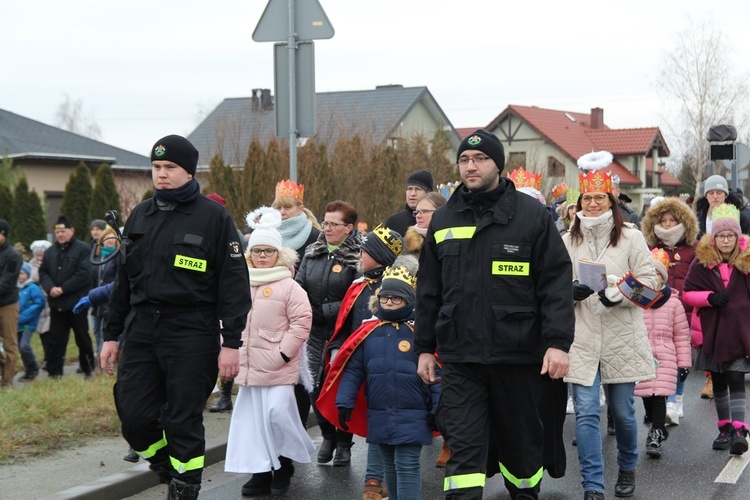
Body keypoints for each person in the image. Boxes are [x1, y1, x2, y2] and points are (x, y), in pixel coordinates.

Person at [415, 129, 574, 500]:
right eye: (464, 160)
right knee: (464, 450)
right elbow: (428, 291)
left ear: (498, 165)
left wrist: (558, 343)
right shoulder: (443, 219)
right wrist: (424, 347)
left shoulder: (531, 216)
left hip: (518, 357)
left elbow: (555, 285)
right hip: (461, 359)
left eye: (480, 159)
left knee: (521, 450)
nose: (471, 166)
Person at [100, 134, 251, 499]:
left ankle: (185, 488)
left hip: (191, 331)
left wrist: (231, 343)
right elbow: (124, 281)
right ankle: (168, 468)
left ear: (189, 171)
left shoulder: (213, 218)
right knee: (134, 416)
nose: (161, 175)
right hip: (141, 329)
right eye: (156, 167)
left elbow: (233, 286)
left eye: (170, 168)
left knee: (182, 419)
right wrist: (110, 334)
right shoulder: (141, 214)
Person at [563, 151, 658, 500]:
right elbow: (552, 282)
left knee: (622, 412)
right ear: (579, 202)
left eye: (598, 197)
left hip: (622, 332)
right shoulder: (567, 239)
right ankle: (592, 483)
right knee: (586, 412)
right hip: (583, 334)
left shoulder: (631, 238)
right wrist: (567, 290)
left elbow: (650, 285)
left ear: (610, 200)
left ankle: (628, 467)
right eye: (586, 198)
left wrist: (615, 292)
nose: (591, 203)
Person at [334, 255, 440, 500]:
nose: (390, 303)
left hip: (414, 412)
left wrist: (438, 407)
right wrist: (344, 402)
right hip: (380, 412)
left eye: (396, 298)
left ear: (409, 300)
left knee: (407, 465)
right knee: (390, 466)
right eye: (385, 297)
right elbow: (353, 371)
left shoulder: (420, 334)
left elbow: (436, 373)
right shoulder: (368, 332)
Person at [224, 211, 314, 497]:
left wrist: (283, 354)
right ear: (250, 254)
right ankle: (260, 472)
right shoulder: (240, 283)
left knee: (277, 416)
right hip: (248, 368)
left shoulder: (290, 286)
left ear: (279, 253)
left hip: (277, 368)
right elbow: (226, 318)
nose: (263, 256)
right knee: (251, 424)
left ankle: (283, 463)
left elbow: (302, 322)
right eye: (258, 251)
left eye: (269, 251)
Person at [327, 224, 403, 499]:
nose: (359, 254)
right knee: (374, 419)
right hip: (365, 363)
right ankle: (374, 479)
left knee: (391, 422)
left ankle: (387, 477)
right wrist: (336, 348)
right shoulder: (358, 285)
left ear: (380, 256)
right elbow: (345, 325)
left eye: (365, 250)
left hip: (396, 361)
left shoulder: (400, 285)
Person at [295, 200, 361, 467]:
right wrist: (308, 309)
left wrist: (327, 310)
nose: (327, 228)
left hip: (344, 334)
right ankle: (327, 436)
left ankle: (344, 443)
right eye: (325, 222)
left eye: (334, 224)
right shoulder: (313, 251)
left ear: (349, 228)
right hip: (313, 331)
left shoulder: (359, 256)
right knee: (313, 386)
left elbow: (357, 295)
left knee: (342, 388)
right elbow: (298, 285)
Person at [683, 204, 750, 456]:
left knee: (736, 377)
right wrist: (709, 298)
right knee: (719, 380)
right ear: (714, 238)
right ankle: (724, 427)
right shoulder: (702, 263)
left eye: (730, 236)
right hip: (714, 331)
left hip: (740, 332)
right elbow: (688, 293)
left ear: (737, 238)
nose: (725, 240)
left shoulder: (746, 264)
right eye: (721, 236)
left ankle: (740, 429)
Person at [641, 197, 700, 422]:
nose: (667, 224)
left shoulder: (693, 248)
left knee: (680, 358)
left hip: (685, 310)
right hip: (655, 310)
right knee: (659, 357)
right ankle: (660, 401)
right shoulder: (650, 248)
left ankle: (676, 401)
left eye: (672, 219)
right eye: (663, 220)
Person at [634, 249, 691, 458]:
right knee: (647, 396)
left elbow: (681, 335)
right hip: (642, 354)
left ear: (663, 277)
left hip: (665, 357)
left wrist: (684, 364)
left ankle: (655, 434)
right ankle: (655, 422)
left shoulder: (674, 303)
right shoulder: (637, 300)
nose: (652, 279)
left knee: (659, 395)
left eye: (656, 274)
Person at [38, 215, 95, 379]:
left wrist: (63, 288)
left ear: (72, 231)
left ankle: (88, 368)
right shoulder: (50, 252)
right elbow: (43, 272)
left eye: (63, 231)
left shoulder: (83, 249)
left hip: (77, 304)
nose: (60, 235)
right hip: (57, 304)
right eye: (58, 232)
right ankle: (54, 372)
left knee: (82, 338)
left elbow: (84, 274)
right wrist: (50, 288)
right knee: (55, 340)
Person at [272, 179, 323, 266]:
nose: (282, 212)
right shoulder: (268, 233)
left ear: (300, 209)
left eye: (287, 207)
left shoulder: (314, 236)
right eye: (278, 208)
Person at [0, 220, 23, 387]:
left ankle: (7, 382)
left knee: (9, 344)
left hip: (7, 305)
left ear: (4, 235)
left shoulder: (13, 256)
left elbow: (6, 283)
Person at [16, 262, 45, 381]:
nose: (19, 275)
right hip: (17, 324)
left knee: (24, 346)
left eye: (22, 273)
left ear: (27, 274)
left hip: (28, 323)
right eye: (18, 273)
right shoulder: (16, 287)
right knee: (20, 348)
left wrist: (23, 316)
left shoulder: (33, 287)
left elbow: (39, 303)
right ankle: (28, 371)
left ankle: (34, 367)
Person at [385, 170, 434, 237]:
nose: (413, 194)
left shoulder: (434, 220)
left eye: (418, 189)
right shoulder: (394, 221)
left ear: (428, 193)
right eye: (410, 189)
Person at [28, 239, 52, 369]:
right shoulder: (30, 265)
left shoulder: (51, 264)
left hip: (49, 300)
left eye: (41, 254)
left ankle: (50, 358)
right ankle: (46, 356)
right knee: (41, 332)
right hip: (37, 301)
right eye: (37, 254)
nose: (39, 257)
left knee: (50, 331)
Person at [404, 192, 446, 259]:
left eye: (425, 211)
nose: (418, 216)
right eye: (417, 212)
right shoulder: (410, 242)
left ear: (440, 212)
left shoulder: (449, 240)